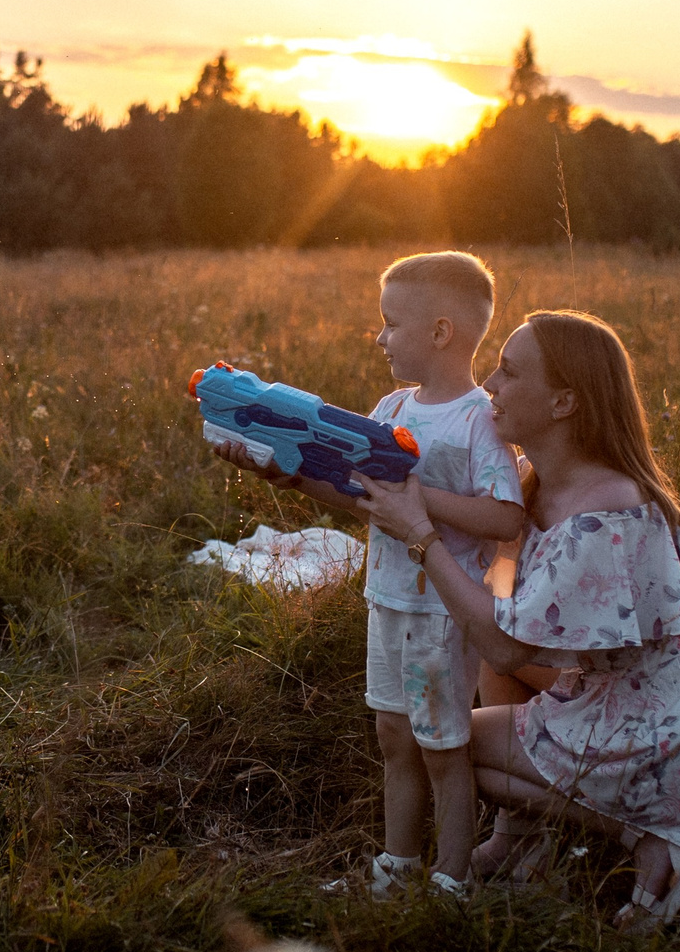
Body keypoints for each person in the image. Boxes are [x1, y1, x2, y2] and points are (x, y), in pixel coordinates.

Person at [358, 308, 680, 929]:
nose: (490, 384)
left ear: (564, 402)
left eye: (510, 373)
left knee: (444, 741)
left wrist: (421, 538)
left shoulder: (601, 511)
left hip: (675, 733)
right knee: (490, 691)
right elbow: (505, 606)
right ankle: (520, 844)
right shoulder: (546, 483)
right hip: (672, 701)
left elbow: (500, 640)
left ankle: (653, 844)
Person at [216, 251, 526, 898]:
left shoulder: (479, 420)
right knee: (392, 737)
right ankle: (396, 870)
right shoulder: (390, 407)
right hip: (385, 601)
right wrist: (284, 474)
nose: (380, 337)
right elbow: (362, 498)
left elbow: (504, 514)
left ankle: (452, 883)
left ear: (440, 332)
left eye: (390, 323)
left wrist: (416, 499)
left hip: (442, 613)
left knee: (445, 748)